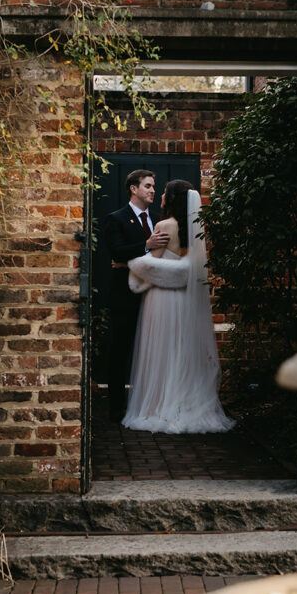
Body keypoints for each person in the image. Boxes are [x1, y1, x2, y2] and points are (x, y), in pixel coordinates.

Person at [122, 180, 235, 434]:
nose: (159, 195)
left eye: (163, 192)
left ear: (172, 198)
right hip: (184, 299)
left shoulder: (164, 226)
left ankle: (159, 408)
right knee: (180, 350)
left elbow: (152, 264)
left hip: (162, 298)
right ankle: (184, 405)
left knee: (161, 351)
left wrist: (131, 266)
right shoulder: (196, 228)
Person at [104, 169, 168, 422]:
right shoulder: (116, 219)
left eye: (154, 186)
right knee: (120, 353)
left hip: (153, 298)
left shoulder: (158, 220)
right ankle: (116, 410)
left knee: (153, 353)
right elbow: (117, 252)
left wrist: (131, 260)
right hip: (125, 298)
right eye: (148, 186)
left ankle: (149, 405)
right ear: (133, 188)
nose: (153, 190)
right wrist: (145, 246)